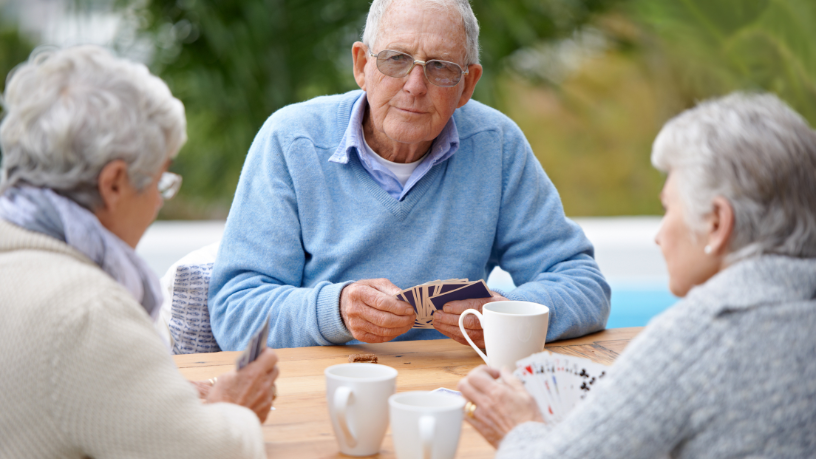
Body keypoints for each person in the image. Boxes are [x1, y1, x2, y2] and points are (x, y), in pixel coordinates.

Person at [209, 0, 611, 350]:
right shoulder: (291, 140)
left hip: (454, 391)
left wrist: (507, 314)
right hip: (328, 384)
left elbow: (585, 285)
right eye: (396, 59)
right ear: (362, 65)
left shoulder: (496, 145)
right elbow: (234, 311)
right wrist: (334, 311)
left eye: (440, 67)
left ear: (467, 84)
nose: (415, 86)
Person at [456, 93, 816, 458]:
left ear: (717, 223)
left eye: (668, 208)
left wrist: (516, 428)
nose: (659, 235)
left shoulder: (698, 339)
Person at [0, 46, 278, 458]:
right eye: (160, 182)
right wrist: (234, 408)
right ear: (114, 183)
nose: (158, 202)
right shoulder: (88, 313)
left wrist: (138, 393)